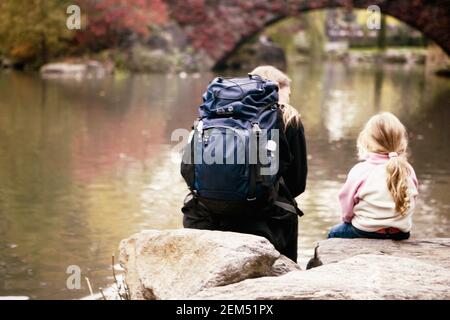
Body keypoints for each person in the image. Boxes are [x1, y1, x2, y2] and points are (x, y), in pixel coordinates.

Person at [182, 66, 308, 262]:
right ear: (276, 88)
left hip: (205, 216)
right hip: (266, 223)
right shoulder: (288, 116)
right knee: (288, 206)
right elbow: (297, 183)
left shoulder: (212, 113)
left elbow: (189, 169)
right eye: (287, 94)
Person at [328, 112, 419, 240]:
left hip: (366, 230)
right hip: (400, 233)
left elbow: (346, 205)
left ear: (368, 141)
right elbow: (412, 200)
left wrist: (347, 220)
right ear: (401, 141)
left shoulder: (361, 170)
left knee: (334, 233)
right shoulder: (408, 169)